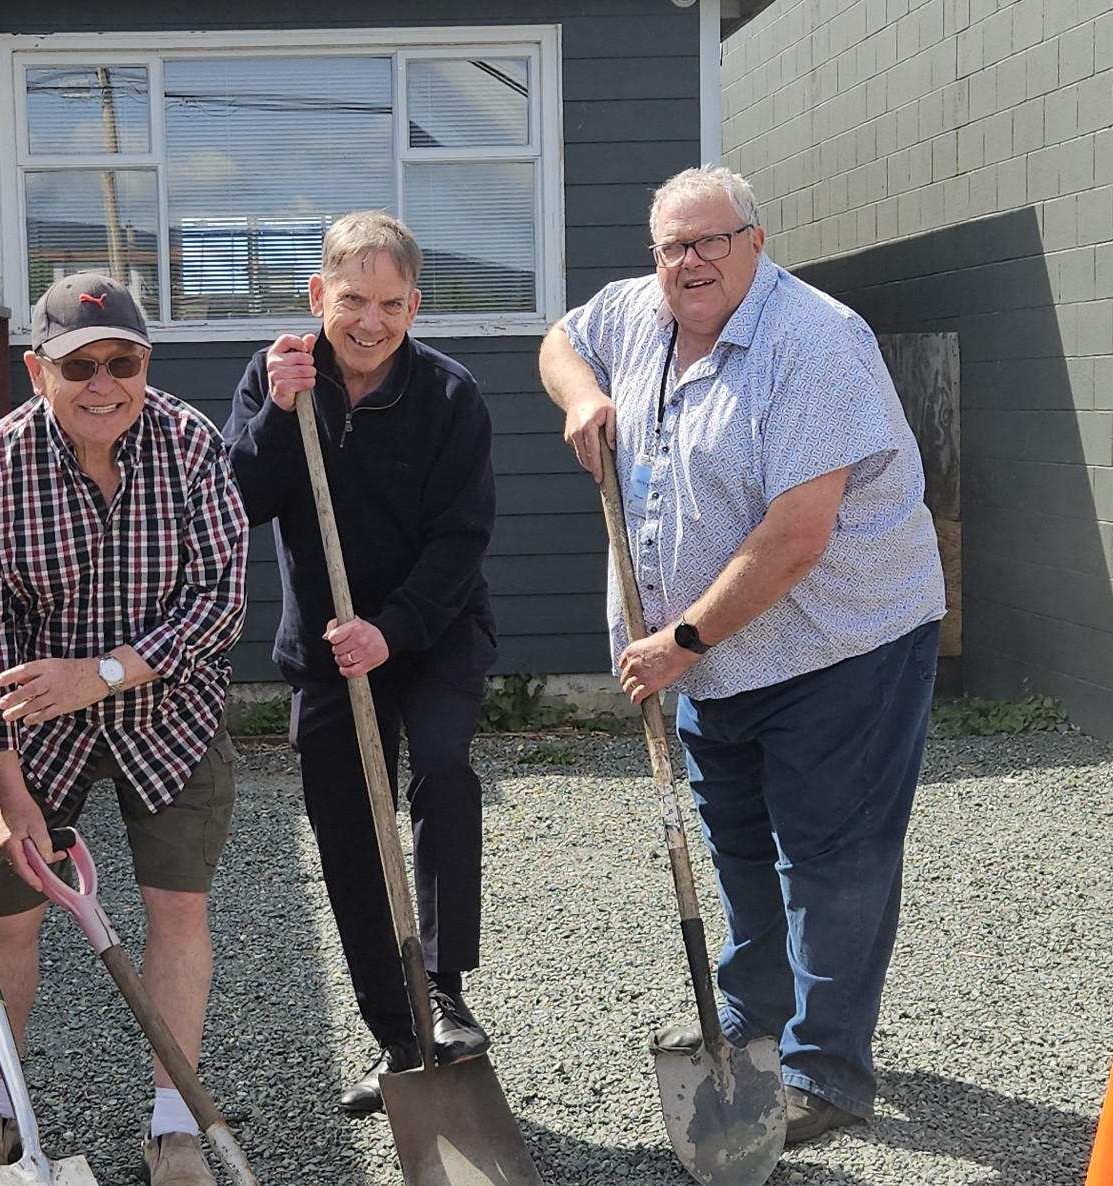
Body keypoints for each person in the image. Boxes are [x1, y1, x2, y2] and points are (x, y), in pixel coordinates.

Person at [539, 165, 946, 1145]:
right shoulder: (640, 314)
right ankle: (754, 1020)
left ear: (757, 243)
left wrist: (679, 641)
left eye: (713, 240)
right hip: (718, 662)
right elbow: (561, 338)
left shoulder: (814, 342)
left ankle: (827, 1069)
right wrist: (583, 397)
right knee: (738, 848)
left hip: (840, 642)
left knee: (831, 855)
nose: (692, 261)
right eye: (674, 244)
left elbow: (799, 535)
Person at [0, 273, 249, 1186]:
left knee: (177, 910)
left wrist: (103, 673)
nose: (104, 383)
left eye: (124, 362)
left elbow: (220, 603)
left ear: (146, 365)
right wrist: (13, 788)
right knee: (8, 919)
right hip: (32, 733)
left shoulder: (190, 445)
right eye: (81, 366)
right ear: (39, 371)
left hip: (171, 713)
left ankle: (174, 1124)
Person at [222, 211, 497, 1117]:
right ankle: (398, 1035)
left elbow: (462, 540)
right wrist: (276, 411)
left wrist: (397, 626)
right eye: (352, 301)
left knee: (445, 770)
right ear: (317, 297)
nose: (370, 322)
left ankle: (444, 988)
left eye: (390, 304)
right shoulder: (280, 385)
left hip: (435, 630)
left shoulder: (451, 396)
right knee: (346, 832)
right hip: (331, 652)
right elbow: (241, 501)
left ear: (414, 304)